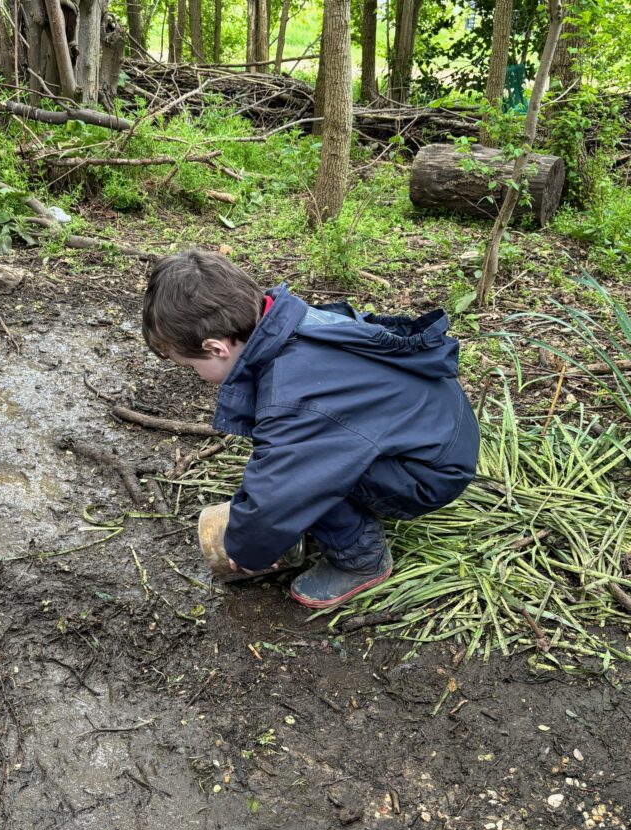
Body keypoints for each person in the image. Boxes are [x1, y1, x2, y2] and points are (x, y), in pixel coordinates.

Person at [142, 249, 479, 609]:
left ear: (216, 347)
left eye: (191, 366)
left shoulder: (296, 396)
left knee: (308, 476)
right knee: (309, 457)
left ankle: (362, 561)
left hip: (431, 471)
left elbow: (285, 488)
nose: (197, 376)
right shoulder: (293, 321)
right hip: (439, 430)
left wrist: (247, 548)